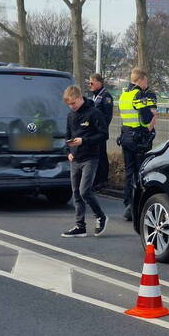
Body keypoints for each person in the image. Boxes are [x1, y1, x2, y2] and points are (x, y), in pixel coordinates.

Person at [61, 85, 109, 238]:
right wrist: (68, 151)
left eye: (73, 103)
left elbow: (103, 135)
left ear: (80, 98)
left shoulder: (94, 113)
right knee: (76, 193)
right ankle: (80, 226)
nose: (71, 107)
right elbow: (67, 135)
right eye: (69, 104)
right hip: (75, 158)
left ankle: (100, 216)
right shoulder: (70, 116)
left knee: (84, 191)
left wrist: (84, 141)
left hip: (90, 157)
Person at [116, 67, 157, 221]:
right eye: (145, 80)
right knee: (141, 173)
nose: (146, 83)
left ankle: (127, 203)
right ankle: (135, 208)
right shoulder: (137, 94)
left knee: (128, 173)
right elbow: (146, 118)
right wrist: (151, 117)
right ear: (140, 80)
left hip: (125, 136)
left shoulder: (123, 95)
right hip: (138, 138)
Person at [88, 73, 113, 190]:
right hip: (93, 132)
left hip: (100, 133)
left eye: (92, 83)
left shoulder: (106, 97)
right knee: (96, 155)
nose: (90, 85)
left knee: (101, 156)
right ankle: (96, 179)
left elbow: (107, 117)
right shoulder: (95, 96)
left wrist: (100, 130)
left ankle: (102, 180)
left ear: (99, 82)